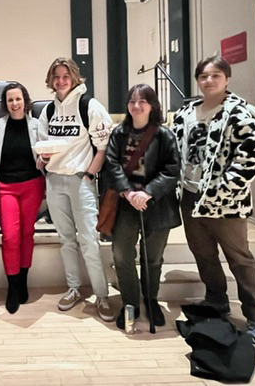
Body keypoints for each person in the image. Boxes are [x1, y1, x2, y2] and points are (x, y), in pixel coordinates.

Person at [171, 56, 255, 344]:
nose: (209, 81)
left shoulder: (239, 113)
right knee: (203, 254)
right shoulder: (186, 112)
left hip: (227, 202)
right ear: (197, 80)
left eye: (215, 75)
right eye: (203, 76)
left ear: (226, 79)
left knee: (240, 259)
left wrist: (223, 189)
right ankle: (216, 301)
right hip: (190, 196)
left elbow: (252, 157)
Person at [36, 57, 115, 322]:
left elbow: (102, 148)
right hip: (54, 181)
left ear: (74, 77)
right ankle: (73, 288)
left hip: (81, 180)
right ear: (51, 80)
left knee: (89, 240)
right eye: (56, 76)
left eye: (65, 75)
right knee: (66, 239)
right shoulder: (47, 110)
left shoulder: (89, 106)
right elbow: (44, 148)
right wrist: (42, 161)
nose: (60, 80)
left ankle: (102, 295)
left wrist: (89, 175)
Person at [104, 84, 181, 330]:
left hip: (156, 205)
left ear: (152, 105)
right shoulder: (119, 133)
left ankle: (151, 300)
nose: (136, 106)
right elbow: (112, 164)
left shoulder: (164, 135)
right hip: (126, 203)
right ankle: (131, 304)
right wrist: (127, 191)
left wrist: (148, 192)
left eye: (142, 101)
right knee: (121, 255)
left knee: (153, 258)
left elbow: (172, 171)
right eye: (132, 101)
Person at [0, 83, 45, 314]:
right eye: (10, 100)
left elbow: (47, 151)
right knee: (10, 237)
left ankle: (23, 280)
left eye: (18, 99)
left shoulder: (37, 125)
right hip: (6, 187)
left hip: (32, 184)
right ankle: (12, 286)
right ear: (5, 103)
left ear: (25, 100)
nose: (15, 104)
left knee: (26, 233)